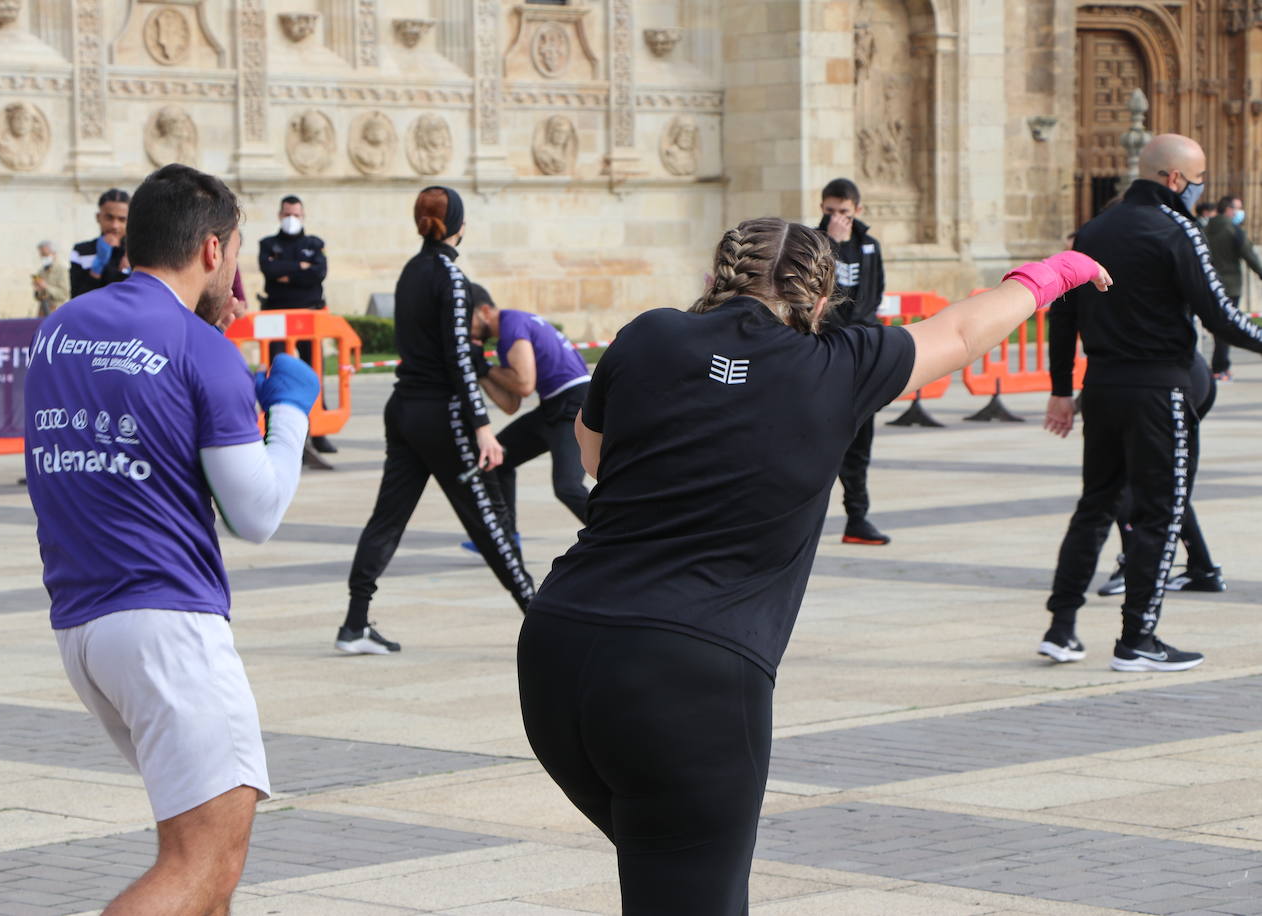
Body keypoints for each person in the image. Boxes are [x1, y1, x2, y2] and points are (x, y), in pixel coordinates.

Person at [517, 216, 1110, 915]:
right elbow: (958, 334)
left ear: (718, 279)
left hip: (558, 647)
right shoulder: (838, 362)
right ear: (821, 301)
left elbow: (592, 458)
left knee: (662, 877)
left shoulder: (649, 334)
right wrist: (1053, 273)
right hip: (688, 677)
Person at [25, 163, 320, 914]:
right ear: (214, 251)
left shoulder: (59, 332)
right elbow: (256, 512)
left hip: (83, 623)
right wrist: (289, 413)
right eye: (239, 253)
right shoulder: (200, 346)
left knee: (201, 863)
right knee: (205, 861)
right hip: (167, 622)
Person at [1039, 134, 1262, 672]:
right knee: (1160, 513)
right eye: (1199, 176)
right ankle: (1138, 637)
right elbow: (1218, 312)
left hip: (1104, 388)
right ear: (1176, 179)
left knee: (1095, 506)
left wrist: (1062, 390)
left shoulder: (1093, 229)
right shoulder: (1177, 228)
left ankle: (1061, 627)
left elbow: (1061, 313)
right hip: (1159, 390)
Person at [336, 186, 534, 656]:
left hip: (404, 408)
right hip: (440, 413)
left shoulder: (410, 272)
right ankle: (541, 614)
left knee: (388, 517)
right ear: (460, 225)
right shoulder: (451, 276)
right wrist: (481, 424)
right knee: (488, 516)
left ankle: (355, 622)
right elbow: (460, 358)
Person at [463, 283, 591, 547]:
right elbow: (511, 404)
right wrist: (480, 369)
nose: (467, 330)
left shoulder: (512, 324)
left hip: (574, 405)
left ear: (484, 311)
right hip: (554, 406)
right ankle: (506, 539)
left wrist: (485, 368)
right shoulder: (508, 335)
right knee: (498, 458)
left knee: (567, 487)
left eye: (468, 321)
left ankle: (623, 536)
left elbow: (523, 384)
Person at [1089, 353, 1226, 597]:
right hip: (1188, 371)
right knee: (1165, 482)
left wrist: (1063, 391)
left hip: (1157, 380)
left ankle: (1134, 566)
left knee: (1124, 477)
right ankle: (1202, 567)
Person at [819, 177, 890, 545]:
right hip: (826, 356)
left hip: (861, 355)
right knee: (819, 445)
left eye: (844, 212)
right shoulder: (813, 244)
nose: (838, 218)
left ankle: (857, 518)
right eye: (830, 212)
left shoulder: (869, 247)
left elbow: (870, 297)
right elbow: (823, 298)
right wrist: (832, 245)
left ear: (857, 210)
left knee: (861, 444)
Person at [258, 194, 333, 453]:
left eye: (296, 215)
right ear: (280, 215)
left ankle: (318, 432)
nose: (292, 219)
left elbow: (318, 273)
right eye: (287, 214)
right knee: (277, 371)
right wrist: (299, 268)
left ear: (303, 216)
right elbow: (270, 272)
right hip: (277, 317)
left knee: (315, 372)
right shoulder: (268, 244)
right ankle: (273, 427)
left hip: (309, 318)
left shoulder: (314, 244)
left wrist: (287, 273)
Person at [1203, 195, 1262, 380]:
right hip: (1229, 285)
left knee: (1216, 325)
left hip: (1207, 282)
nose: (1239, 213)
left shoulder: (1206, 228)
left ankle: (1219, 365)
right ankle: (1220, 366)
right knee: (1227, 326)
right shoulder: (1233, 230)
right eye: (1237, 208)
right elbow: (1249, 255)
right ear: (1228, 210)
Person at [70, 188, 130, 298]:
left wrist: (127, 271)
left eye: (122, 219)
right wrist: (96, 269)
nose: (114, 226)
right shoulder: (81, 251)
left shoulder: (136, 253)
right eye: (109, 218)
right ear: (98, 217)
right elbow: (76, 298)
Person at [32, 240, 68, 316]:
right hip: (43, 311)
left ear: (54, 254)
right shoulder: (41, 271)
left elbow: (64, 294)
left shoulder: (62, 270)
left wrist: (46, 287)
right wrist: (37, 289)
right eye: (41, 255)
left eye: (45, 254)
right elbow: (39, 297)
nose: (43, 257)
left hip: (58, 312)